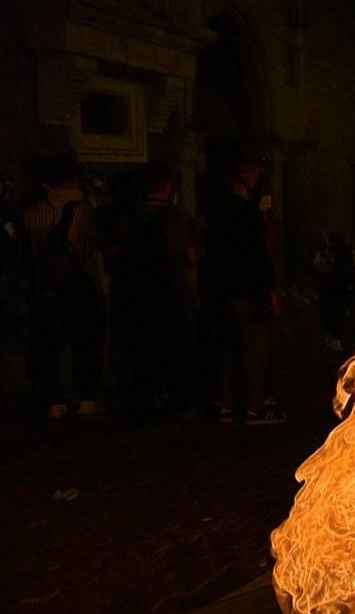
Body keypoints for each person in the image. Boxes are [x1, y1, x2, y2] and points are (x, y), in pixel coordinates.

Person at [204, 144, 286, 425]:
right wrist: (270, 290)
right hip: (247, 291)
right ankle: (255, 406)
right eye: (254, 171)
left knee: (226, 348)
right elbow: (261, 254)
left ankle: (226, 404)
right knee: (253, 348)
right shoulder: (246, 214)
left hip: (222, 290)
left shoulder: (216, 210)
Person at [22, 153, 105, 419]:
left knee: (50, 346)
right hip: (78, 286)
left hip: (46, 288)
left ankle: (54, 401)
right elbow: (96, 242)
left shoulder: (30, 213)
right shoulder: (82, 210)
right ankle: (87, 398)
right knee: (85, 343)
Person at [113, 165, 198, 418]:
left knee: (143, 354)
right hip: (171, 296)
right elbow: (191, 257)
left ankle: (145, 401)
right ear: (167, 187)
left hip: (137, 296)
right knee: (175, 352)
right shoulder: (177, 219)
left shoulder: (127, 218)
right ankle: (176, 402)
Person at [311, 230, 355, 352]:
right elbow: (319, 268)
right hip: (332, 290)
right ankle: (333, 338)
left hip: (338, 289)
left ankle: (336, 338)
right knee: (333, 314)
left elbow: (353, 267)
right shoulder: (332, 253)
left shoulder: (347, 253)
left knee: (336, 314)